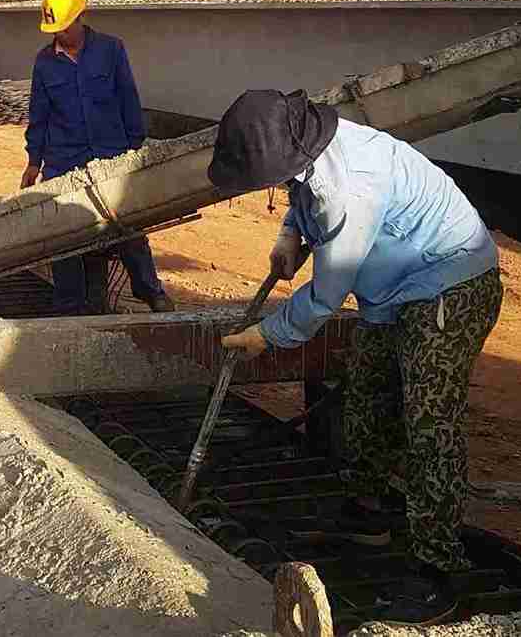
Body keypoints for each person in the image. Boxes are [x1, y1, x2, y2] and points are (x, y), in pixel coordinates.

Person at [208, 89, 501, 627]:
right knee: (366, 393)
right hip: (391, 288)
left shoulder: (350, 188)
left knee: (428, 423)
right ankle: (367, 511)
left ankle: (438, 570)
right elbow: (303, 199)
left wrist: (267, 336)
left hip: (448, 284)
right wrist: (289, 235)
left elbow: (324, 296)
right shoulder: (308, 150)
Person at [22, 0, 174, 314]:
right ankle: (69, 306)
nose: (59, 35)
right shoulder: (44, 63)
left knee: (127, 226)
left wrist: (134, 148)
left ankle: (150, 291)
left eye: (64, 27)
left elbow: (128, 100)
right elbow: (39, 114)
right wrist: (34, 161)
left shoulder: (111, 50)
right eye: (55, 30)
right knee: (65, 236)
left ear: (80, 17)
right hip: (64, 160)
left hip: (111, 153)